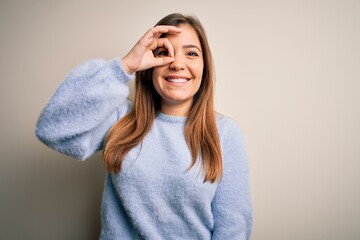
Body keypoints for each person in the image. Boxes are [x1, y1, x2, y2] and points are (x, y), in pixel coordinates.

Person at [36, 13, 253, 240]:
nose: (178, 64)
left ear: (205, 67)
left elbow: (233, 228)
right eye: (163, 53)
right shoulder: (121, 118)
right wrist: (124, 67)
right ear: (150, 66)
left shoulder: (225, 134)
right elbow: (51, 129)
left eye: (191, 53)